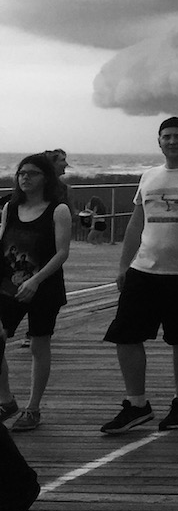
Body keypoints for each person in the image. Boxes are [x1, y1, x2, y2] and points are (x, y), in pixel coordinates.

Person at [100, 117, 178, 435]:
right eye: (166, 136)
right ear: (159, 141)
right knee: (125, 335)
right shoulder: (149, 176)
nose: (172, 141)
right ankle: (137, 404)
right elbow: (136, 223)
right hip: (144, 269)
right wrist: (124, 265)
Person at [0, 154, 72, 432]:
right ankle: (6, 399)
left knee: (38, 345)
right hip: (9, 285)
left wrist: (36, 280)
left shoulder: (58, 210)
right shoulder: (10, 207)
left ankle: (33, 408)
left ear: (45, 178)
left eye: (32, 173)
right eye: (21, 173)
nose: (25, 178)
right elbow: (4, 241)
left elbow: (62, 252)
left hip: (44, 286)